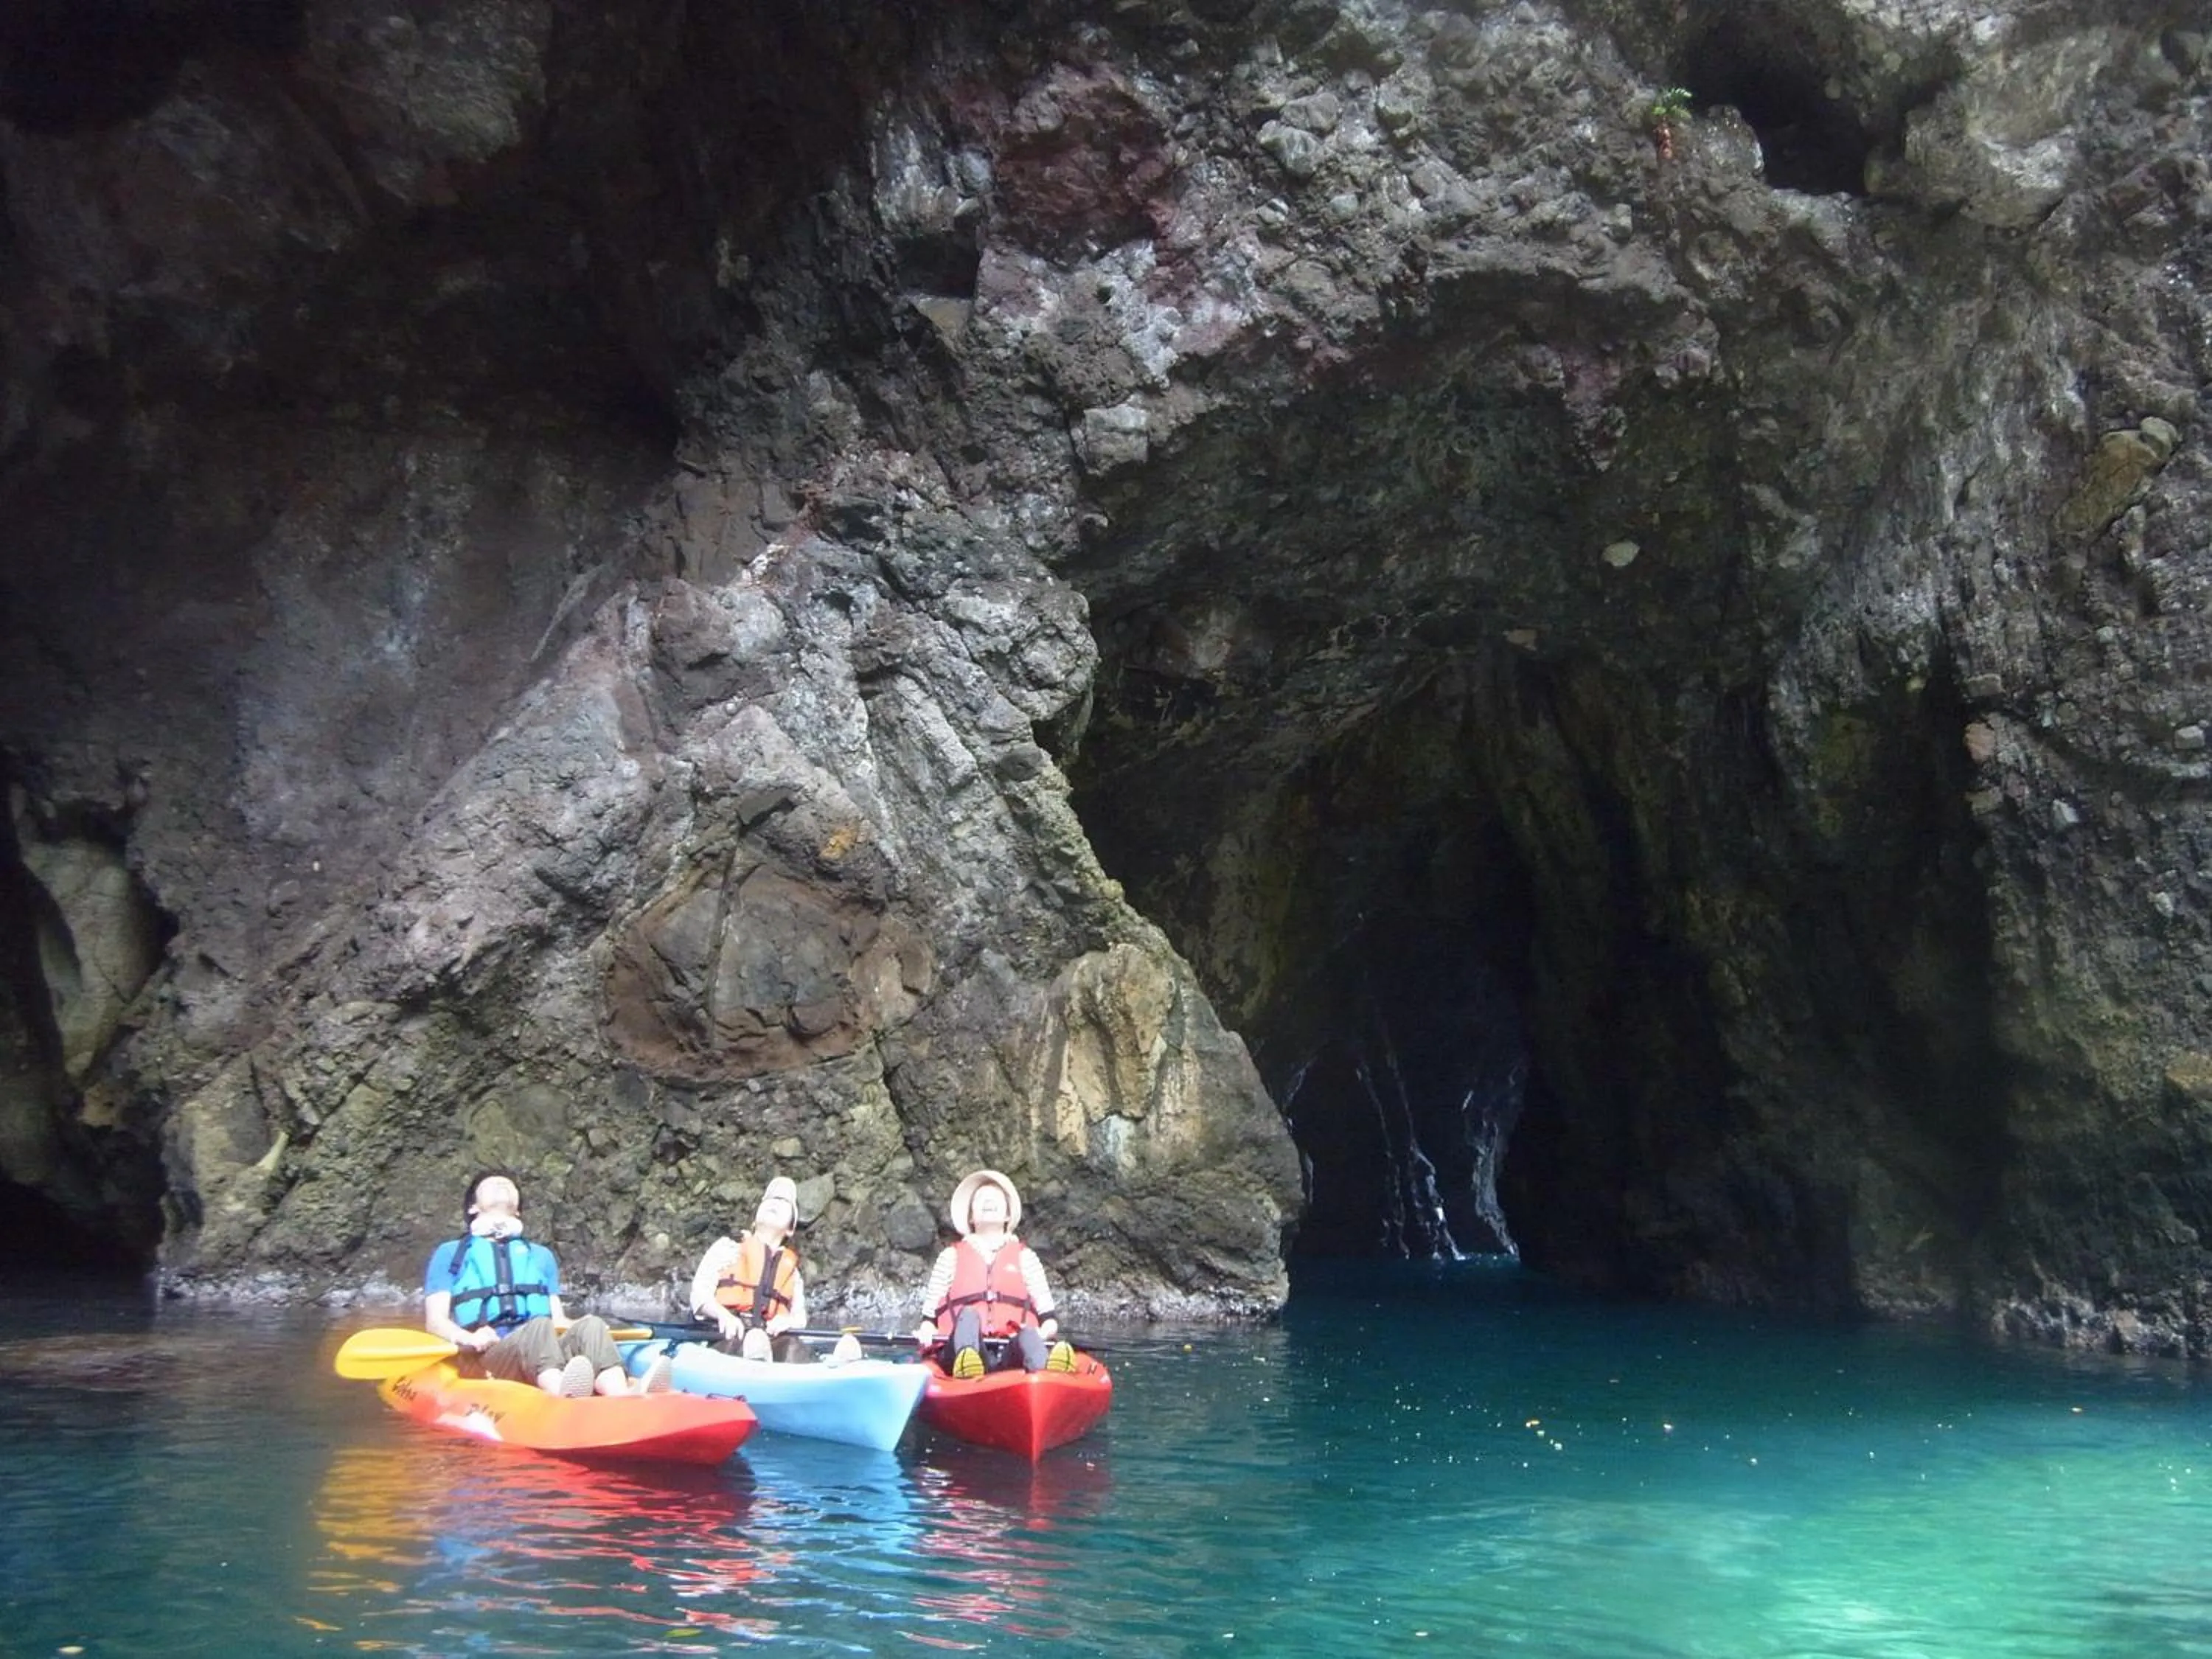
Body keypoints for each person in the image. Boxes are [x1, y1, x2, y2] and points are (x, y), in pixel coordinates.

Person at [424, 1172, 671, 1397]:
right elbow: (435, 1321)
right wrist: (466, 1337)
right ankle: (562, 1392)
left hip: (539, 1349)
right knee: (539, 1327)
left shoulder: (540, 1256)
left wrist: (586, 1329)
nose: (501, 1184)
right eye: (490, 1184)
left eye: (508, 1184)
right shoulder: (451, 1253)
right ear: (473, 1207)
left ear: (518, 1211)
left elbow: (558, 1321)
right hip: (486, 1354)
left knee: (591, 1326)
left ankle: (620, 1395)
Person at [911, 1169, 1076, 1378]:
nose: (988, 1201)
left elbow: (1049, 1320)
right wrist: (927, 1333)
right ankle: (968, 1365)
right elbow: (929, 1320)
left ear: (1008, 1214)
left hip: (1008, 1351)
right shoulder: (950, 1257)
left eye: (996, 1198)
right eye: (980, 1199)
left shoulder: (1026, 1258)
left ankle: (1045, 1371)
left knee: (1027, 1334)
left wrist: (1041, 1334)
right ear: (971, 1216)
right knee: (969, 1315)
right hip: (958, 1352)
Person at [687, 1176, 860, 1364]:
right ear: (754, 1220)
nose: (775, 1203)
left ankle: (837, 1365)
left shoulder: (792, 1273)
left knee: (792, 1346)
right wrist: (722, 1315)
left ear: (790, 1229)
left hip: (770, 1339)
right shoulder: (728, 1248)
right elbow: (699, 1295)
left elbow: (799, 1318)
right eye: (770, 1200)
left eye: (783, 1202)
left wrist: (788, 1322)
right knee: (739, 1342)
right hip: (727, 1336)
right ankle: (756, 1360)